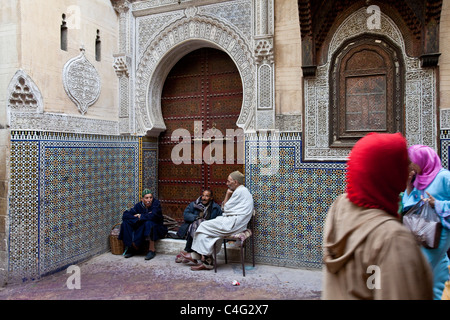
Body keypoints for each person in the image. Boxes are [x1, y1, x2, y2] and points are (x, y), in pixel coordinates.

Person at [322, 132, 433, 299]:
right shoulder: (393, 240)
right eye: (403, 163)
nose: (410, 167)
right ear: (389, 171)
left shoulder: (339, 210)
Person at [402, 144, 450, 299]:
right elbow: (409, 206)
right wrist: (409, 186)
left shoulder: (444, 177)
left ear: (423, 159)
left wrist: (437, 204)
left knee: (419, 271)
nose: (411, 165)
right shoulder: (419, 178)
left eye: (413, 161)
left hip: (440, 232)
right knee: (439, 273)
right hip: (421, 232)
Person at [181, 171, 254, 271]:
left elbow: (225, 208)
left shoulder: (239, 191)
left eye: (229, 181)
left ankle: (197, 256)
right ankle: (207, 261)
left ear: (236, 182)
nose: (227, 183)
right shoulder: (243, 191)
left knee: (202, 226)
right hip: (236, 223)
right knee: (206, 233)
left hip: (233, 224)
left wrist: (227, 194)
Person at [175, 189, 222, 264]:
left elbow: (220, 220)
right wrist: (197, 218)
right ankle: (193, 253)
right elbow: (186, 215)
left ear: (211, 198)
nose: (204, 198)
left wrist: (204, 223)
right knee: (195, 225)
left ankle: (192, 254)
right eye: (203, 195)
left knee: (200, 227)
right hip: (193, 228)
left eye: (207, 196)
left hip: (208, 230)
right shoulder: (194, 204)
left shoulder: (215, 208)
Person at [118, 189, 168, 260]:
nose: (149, 200)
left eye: (150, 197)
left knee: (149, 223)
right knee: (126, 223)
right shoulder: (138, 206)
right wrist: (136, 218)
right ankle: (132, 247)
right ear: (142, 199)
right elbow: (125, 215)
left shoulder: (156, 204)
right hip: (143, 227)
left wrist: (141, 216)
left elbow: (153, 215)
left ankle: (152, 250)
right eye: (146, 198)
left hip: (158, 228)